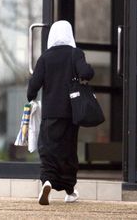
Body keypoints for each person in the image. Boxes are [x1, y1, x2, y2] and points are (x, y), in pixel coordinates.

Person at [27, 20, 94, 205]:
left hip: (50, 113)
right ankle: (70, 191)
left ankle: (47, 180)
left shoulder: (45, 57)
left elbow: (33, 85)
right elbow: (86, 73)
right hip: (71, 113)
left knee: (48, 148)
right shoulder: (75, 53)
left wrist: (30, 97)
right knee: (68, 151)